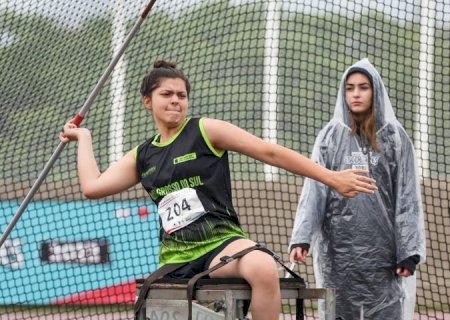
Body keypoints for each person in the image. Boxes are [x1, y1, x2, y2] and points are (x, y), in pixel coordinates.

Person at [60, 60, 377, 320]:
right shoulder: (144, 155)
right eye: (167, 94)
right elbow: (92, 187)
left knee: (263, 266)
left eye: (181, 95)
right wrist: (83, 138)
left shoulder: (204, 130)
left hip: (220, 246)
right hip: (176, 257)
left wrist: (331, 177)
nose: (175, 101)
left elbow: (269, 152)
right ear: (148, 101)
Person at [289, 58, 426, 320]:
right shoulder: (330, 137)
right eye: (350, 88)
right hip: (338, 254)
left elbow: (407, 197)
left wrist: (408, 253)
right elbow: (315, 188)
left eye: (363, 87)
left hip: (384, 258)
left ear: (375, 90)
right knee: (337, 311)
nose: (356, 94)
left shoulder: (395, 138)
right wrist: (302, 237)